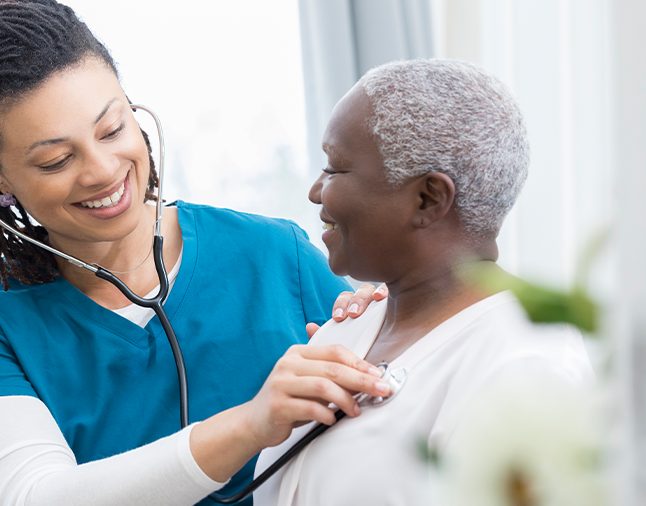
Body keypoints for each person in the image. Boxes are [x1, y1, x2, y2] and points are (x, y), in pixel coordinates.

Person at [0, 1, 388, 505]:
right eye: (56, 159)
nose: (102, 170)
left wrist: (392, 324)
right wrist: (253, 423)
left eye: (112, 129)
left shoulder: (275, 254)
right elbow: (38, 497)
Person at [253, 59, 595, 506]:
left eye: (335, 169)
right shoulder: (350, 326)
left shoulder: (529, 365)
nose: (316, 191)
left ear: (428, 198)